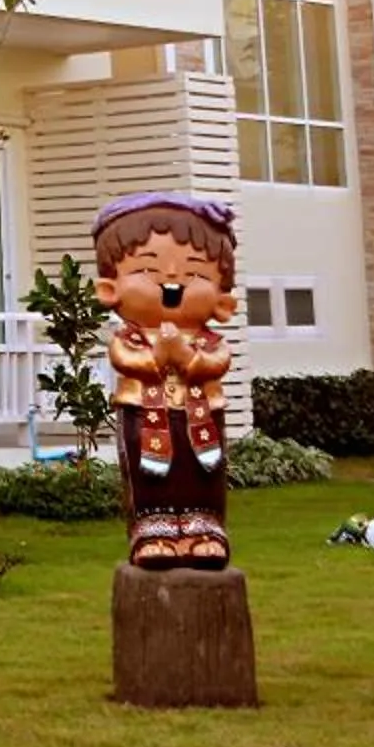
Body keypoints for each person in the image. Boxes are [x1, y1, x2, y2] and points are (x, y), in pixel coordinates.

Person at [92, 192, 240, 570]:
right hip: (144, 412)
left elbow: (217, 361)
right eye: (148, 272)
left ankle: (202, 523)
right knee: (149, 470)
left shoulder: (207, 339)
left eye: (196, 275)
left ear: (223, 300)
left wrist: (187, 356)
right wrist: (162, 355)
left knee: (202, 467)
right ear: (110, 290)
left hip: (202, 414)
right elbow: (127, 360)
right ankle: (152, 525)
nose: (172, 282)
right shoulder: (131, 336)